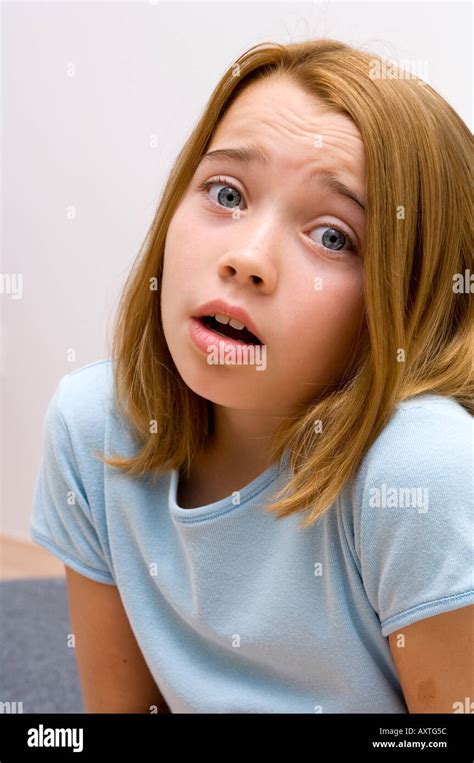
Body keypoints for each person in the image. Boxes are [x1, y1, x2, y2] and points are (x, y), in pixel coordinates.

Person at [31, 38, 473, 714]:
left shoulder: (420, 470)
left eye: (332, 236)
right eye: (227, 193)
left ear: (411, 304)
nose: (246, 258)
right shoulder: (93, 423)